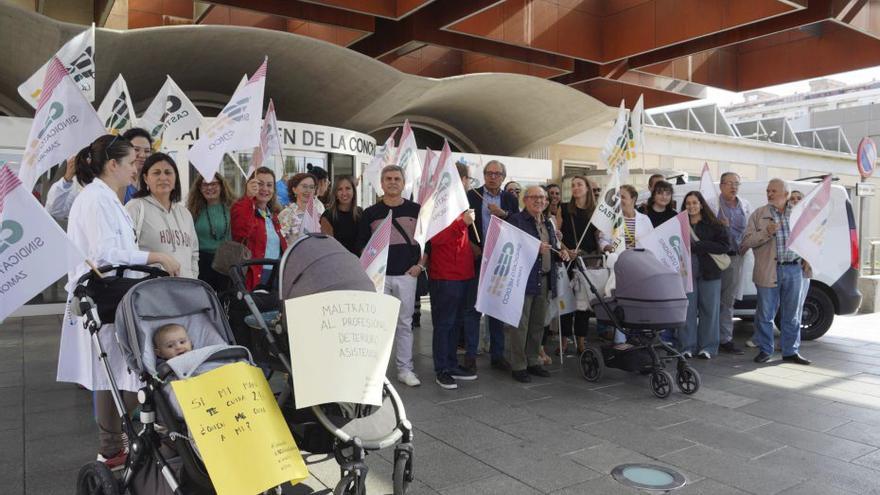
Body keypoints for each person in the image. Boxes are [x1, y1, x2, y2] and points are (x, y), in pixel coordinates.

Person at [58, 135, 181, 470]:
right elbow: (105, 255)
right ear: (113, 164)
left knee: (113, 372)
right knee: (113, 372)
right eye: (130, 163)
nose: (134, 169)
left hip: (114, 295)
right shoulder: (96, 200)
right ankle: (113, 444)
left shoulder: (105, 198)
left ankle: (117, 442)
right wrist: (154, 255)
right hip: (105, 297)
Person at [356, 165, 425, 387]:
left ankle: (405, 370)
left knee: (404, 324)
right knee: (378, 326)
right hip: (380, 278)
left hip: (407, 276)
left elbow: (427, 242)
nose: (392, 182)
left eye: (397, 178)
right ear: (382, 183)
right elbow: (362, 247)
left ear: (403, 183)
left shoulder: (417, 210)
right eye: (388, 178)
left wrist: (419, 267)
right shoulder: (370, 213)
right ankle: (376, 373)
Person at [741, 179, 812, 365]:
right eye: (768, 190)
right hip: (768, 270)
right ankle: (765, 350)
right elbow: (747, 241)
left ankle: (791, 351)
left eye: (774, 191)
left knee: (792, 314)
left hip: (794, 269)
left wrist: (809, 258)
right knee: (765, 314)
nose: (769, 193)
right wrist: (766, 232)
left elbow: (812, 239)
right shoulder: (759, 214)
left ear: (786, 194)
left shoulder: (799, 214)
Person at [506, 186, 570, 383]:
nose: (540, 201)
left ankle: (533, 360)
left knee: (537, 324)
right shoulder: (516, 221)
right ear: (525, 200)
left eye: (543, 197)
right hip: (522, 279)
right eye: (535, 197)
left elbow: (551, 249)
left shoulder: (548, 223)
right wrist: (533, 248)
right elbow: (510, 248)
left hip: (545, 279)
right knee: (520, 325)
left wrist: (562, 254)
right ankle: (518, 365)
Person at [464, 160, 519, 372]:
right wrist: (470, 245)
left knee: (496, 308)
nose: (493, 176)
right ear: (484, 174)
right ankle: (470, 354)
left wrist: (503, 214)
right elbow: (460, 224)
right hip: (477, 257)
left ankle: (497, 355)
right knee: (473, 308)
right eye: (489, 173)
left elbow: (518, 223)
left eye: (497, 173)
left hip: (500, 259)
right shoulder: (472, 195)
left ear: (503, 177)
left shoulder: (509, 199)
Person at [428, 163, 479, 389]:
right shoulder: (437, 204)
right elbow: (435, 239)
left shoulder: (461, 204)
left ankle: (451, 363)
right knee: (444, 324)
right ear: (459, 179)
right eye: (468, 179)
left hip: (463, 273)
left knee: (455, 323)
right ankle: (442, 369)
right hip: (445, 275)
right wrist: (462, 223)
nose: (469, 183)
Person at [45, 127, 153, 219]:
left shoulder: (154, 182)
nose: (142, 155)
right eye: (136, 149)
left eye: (147, 151)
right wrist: (67, 179)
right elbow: (55, 210)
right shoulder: (95, 191)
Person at [127, 153, 199, 279]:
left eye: (168, 172)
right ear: (145, 178)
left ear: (175, 177)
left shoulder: (185, 213)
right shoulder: (135, 207)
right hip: (151, 291)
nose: (163, 177)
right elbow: (126, 252)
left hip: (185, 289)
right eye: (156, 173)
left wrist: (192, 277)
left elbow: (194, 253)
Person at [679, 191, 730, 359]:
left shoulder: (714, 224)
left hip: (710, 273)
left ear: (701, 204)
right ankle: (687, 346)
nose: (691, 206)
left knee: (710, 310)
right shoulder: (679, 224)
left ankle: (708, 347)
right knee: (688, 311)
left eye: (695, 202)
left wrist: (701, 245)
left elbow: (724, 246)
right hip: (687, 274)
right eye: (688, 203)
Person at [559, 176, 600, 355]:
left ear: (587, 188)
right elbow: (556, 235)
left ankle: (582, 340)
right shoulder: (564, 208)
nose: (575, 188)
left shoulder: (596, 211)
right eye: (573, 185)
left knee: (583, 303)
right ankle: (564, 339)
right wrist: (567, 250)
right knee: (566, 300)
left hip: (588, 261)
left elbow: (599, 237)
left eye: (579, 185)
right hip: (567, 259)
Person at [230, 166, 287, 290]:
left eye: (269, 185)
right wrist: (249, 198)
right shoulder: (241, 207)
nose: (265, 189)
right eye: (260, 184)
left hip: (274, 274)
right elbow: (240, 233)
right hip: (252, 275)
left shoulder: (273, 216)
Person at [716, 172, 750, 355]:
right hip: (715, 257)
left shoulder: (744, 205)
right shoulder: (713, 204)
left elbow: (750, 229)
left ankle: (725, 339)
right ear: (721, 186)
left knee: (728, 300)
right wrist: (720, 226)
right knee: (712, 299)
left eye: (737, 183)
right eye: (729, 183)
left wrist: (747, 243)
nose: (733, 186)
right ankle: (709, 337)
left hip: (735, 258)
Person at [187, 173, 234, 293]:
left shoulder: (233, 208)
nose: (209, 188)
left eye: (213, 184)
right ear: (199, 188)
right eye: (205, 185)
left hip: (226, 263)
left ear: (222, 186)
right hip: (202, 264)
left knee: (226, 303)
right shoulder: (192, 210)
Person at [599, 185, 652, 252]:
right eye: (617, 197)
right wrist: (609, 248)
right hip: (618, 260)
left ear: (633, 199)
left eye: (623, 197)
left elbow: (652, 241)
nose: (619, 200)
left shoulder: (645, 219)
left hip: (640, 259)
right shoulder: (611, 218)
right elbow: (603, 240)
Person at [320, 176, 363, 255]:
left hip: (359, 263)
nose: (344, 193)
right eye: (340, 189)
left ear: (354, 191)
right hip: (338, 263)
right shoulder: (328, 216)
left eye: (348, 188)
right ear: (335, 193)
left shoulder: (361, 213)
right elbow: (328, 247)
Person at [278, 172, 325, 243]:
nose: (308, 190)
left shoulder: (320, 210)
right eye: (304, 186)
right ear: (294, 189)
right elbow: (282, 242)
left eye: (311, 187)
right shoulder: (285, 214)